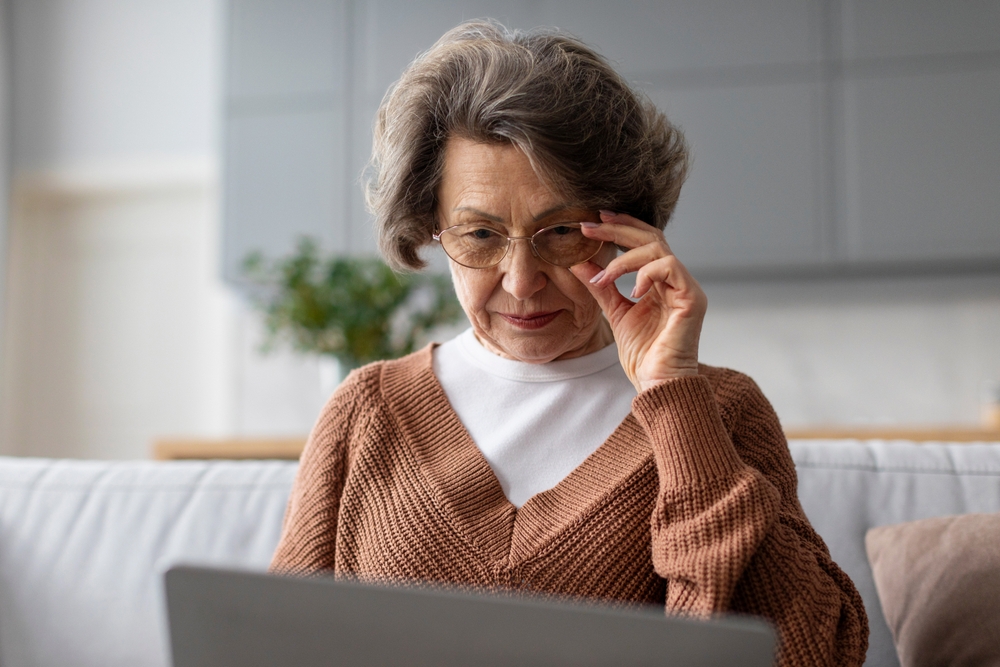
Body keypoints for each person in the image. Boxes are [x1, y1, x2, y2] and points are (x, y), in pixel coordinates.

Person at [271, 20, 868, 666]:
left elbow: (814, 655)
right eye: (479, 236)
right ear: (431, 228)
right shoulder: (365, 411)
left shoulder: (721, 411)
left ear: (624, 228)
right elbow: (267, 646)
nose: (521, 281)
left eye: (559, 232)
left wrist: (673, 396)